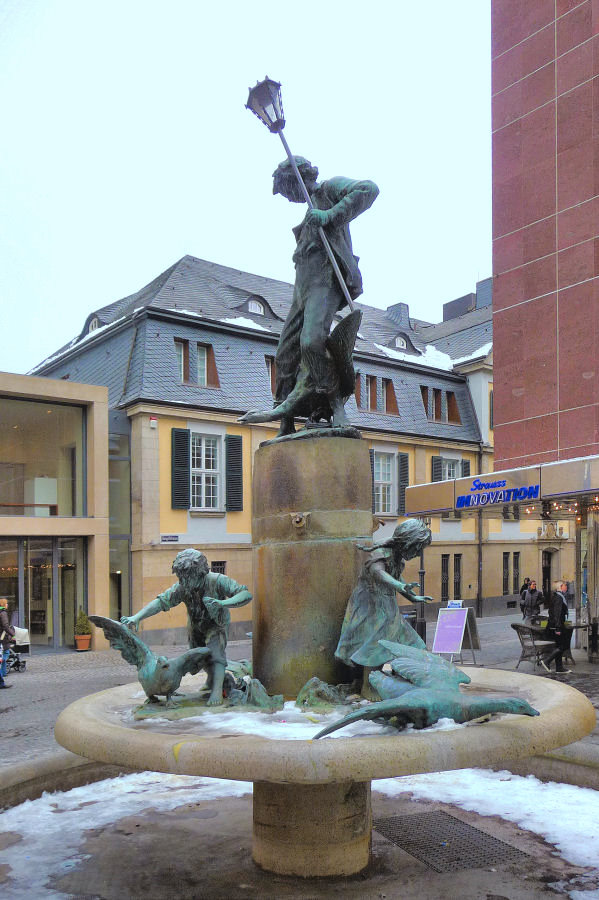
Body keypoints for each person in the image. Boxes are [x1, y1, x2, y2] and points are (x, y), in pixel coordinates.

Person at [240, 157, 379, 437]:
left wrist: (329, 216)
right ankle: (286, 421)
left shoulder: (328, 191)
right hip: (301, 288)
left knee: (312, 341)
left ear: (295, 179)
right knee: (285, 354)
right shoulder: (307, 212)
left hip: (324, 282)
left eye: (285, 189)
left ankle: (336, 404)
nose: (288, 196)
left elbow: (369, 189)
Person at [121, 549, 251, 705]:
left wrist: (223, 603)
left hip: (217, 623)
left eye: (187, 577)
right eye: (180, 577)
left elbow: (245, 594)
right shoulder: (182, 587)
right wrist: (137, 617)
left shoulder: (217, 580)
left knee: (216, 654)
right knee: (198, 656)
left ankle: (216, 691)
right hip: (196, 625)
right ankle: (212, 679)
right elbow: (161, 602)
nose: (183, 581)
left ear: (200, 572)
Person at [335, 519, 433, 681]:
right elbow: (377, 572)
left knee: (413, 645)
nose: (418, 554)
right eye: (418, 549)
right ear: (408, 544)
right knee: (376, 645)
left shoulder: (397, 558)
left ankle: (402, 676)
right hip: (371, 606)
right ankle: (368, 685)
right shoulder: (381, 552)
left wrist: (412, 596)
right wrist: (400, 586)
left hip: (387, 607)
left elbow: (397, 579)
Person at [541, 581, 571, 674]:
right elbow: (557, 614)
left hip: (555, 625)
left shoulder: (557, 596)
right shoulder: (558, 597)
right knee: (564, 645)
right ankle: (547, 661)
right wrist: (558, 628)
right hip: (556, 626)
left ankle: (559, 667)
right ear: (560, 587)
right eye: (565, 585)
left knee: (559, 645)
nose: (566, 586)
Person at [0, 597, 15, 690]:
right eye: (7, 603)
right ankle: (1, 683)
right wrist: (13, 634)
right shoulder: (3, 613)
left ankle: (1, 682)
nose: (8, 605)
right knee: (2, 658)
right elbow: (5, 626)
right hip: (1, 639)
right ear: (4, 604)